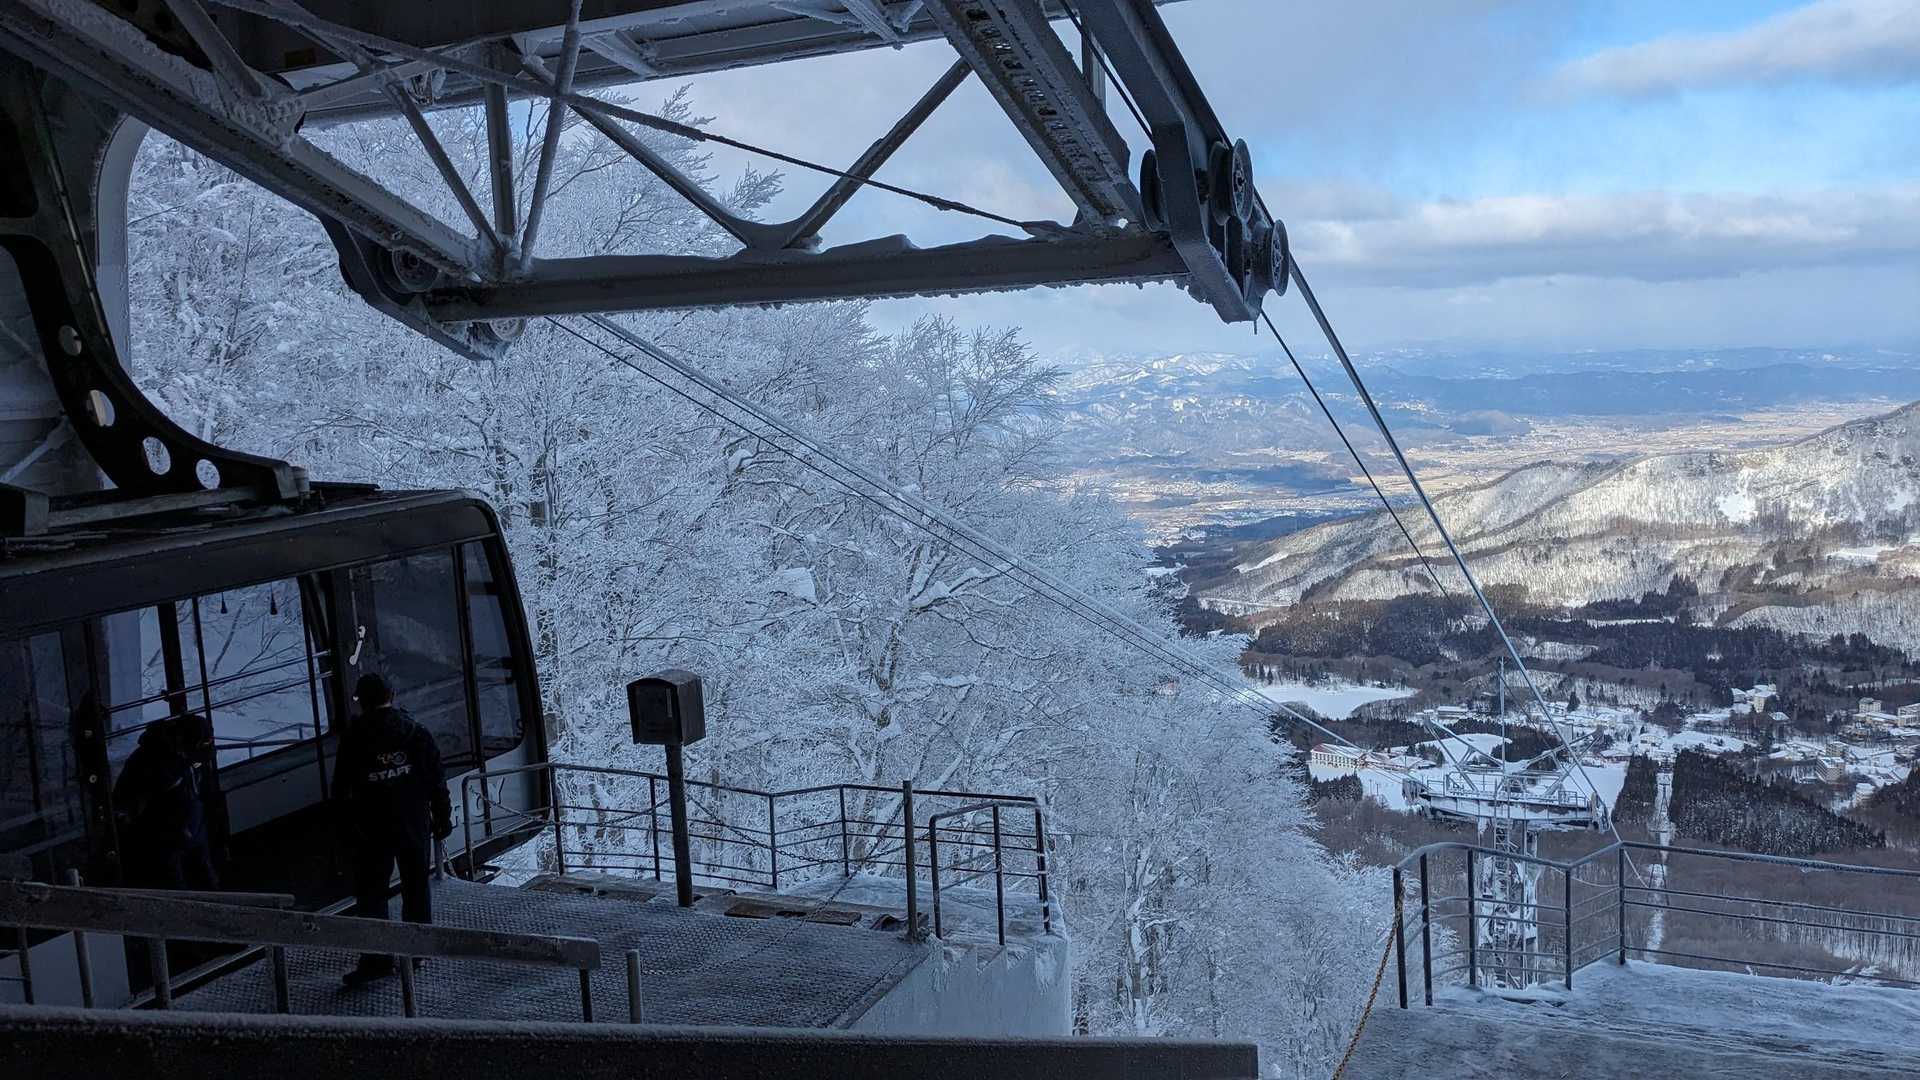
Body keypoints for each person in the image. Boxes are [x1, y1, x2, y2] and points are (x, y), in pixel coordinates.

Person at [334, 672, 453, 987]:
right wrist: (442, 817)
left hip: (371, 828)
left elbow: (341, 790)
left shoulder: (353, 738)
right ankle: (417, 952)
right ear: (393, 695)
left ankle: (377, 960)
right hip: (413, 823)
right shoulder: (416, 732)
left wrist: (347, 830)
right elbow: (436, 780)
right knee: (416, 887)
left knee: (372, 894)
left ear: (361, 702)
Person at [113, 712, 221, 890]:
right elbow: (129, 798)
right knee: (181, 884)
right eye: (203, 745)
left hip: (188, 827)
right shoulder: (150, 760)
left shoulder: (181, 756)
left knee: (201, 878)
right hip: (167, 833)